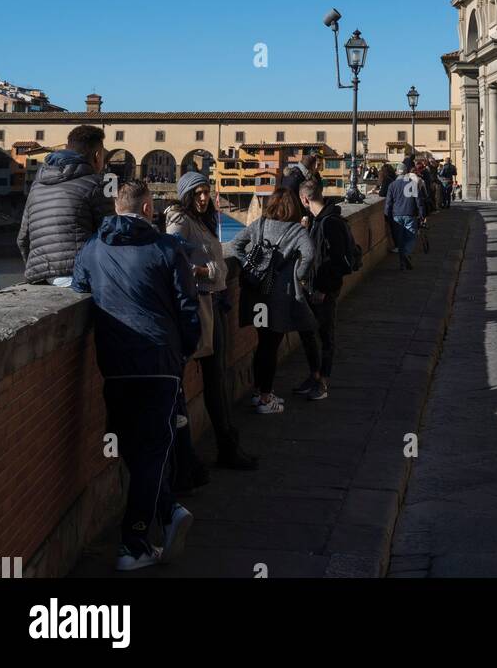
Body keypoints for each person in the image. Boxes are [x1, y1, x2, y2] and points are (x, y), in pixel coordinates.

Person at [70, 179, 201, 571]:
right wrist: (185, 350)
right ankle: (134, 543)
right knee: (155, 450)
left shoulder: (91, 248)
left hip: (113, 363)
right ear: (147, 209)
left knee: (131, 448)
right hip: (158, 362)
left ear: (115, 206)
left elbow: (79, 288)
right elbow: (187, 305)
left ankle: (167, 512)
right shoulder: (166, 248)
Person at [165, 172, 257, 472]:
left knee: (218, 377)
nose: (204, 198)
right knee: (214, 379)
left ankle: (223, 446)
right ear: (186, 195)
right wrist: (207, 272)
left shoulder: (203, 220)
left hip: (214, 304)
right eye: (197, 193)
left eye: (206, 191)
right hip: (201, 307)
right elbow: (172, 258)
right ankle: (219, 450)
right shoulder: (180, 220)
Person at [231, 188, 316, 414]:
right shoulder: (297, 230)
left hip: (256, 294)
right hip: (278, 298)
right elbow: (309, 254)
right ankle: (266, 399)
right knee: (271, 345)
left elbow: (235, 245)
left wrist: (250, 266)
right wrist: (297, 276)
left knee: (262, 343)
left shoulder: (259, 224)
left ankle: (259, 392)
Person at [18, 123, 111, 285]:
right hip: (78, 275)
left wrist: (37, 270)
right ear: (97, 155)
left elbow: (22, 239)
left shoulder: (37, 185)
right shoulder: (101, 184)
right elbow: (111, 235)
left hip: (39, 278)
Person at [294, 177, 350, 400]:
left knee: (326, 336)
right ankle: (314, 375)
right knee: (308, 334)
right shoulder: (317, 221)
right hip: (312, 288)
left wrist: (324, 290)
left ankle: (323, 383)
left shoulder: (330, 223)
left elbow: (334, 261)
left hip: (324, 291)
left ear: (305, 199)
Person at [384, 161, 425, 270]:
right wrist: (421, 214)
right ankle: (406, 254)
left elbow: (388, 203)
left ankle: (402, 260)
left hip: (396, 215)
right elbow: (419, 201)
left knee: (400, 240)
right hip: (410, 214)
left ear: (397, 173)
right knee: (411, 237)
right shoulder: (412, 183)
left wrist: (387, 216)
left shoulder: (392, 185)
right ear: (406, 172)